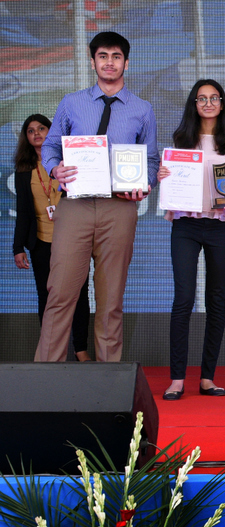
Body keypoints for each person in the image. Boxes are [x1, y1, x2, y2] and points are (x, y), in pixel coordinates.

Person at [35, 31, 158, 363]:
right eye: (103, 56)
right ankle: (44, 375)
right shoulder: (71, 102)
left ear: (126, 63)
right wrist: (54, 168)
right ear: (93, 62)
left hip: (119, 207)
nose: (109, 62)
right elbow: (51, 145)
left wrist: (144, 183)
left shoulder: (142, 109)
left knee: (111, 299)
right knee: (60, 292)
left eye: (116, 56)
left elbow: (150, 160)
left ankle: (109, 379)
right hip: (74, 205)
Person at [157, 80, 225, 400]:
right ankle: (177, 379)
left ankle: (208, 377)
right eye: (201, 99)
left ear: (222, 103)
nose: (208, 103)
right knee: (183, 299)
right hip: (186, 225)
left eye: (214, 98)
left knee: (216, 300)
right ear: (194, 104)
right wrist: (163, 176)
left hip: (220, 226)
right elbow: (173, 178)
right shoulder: (181, 139)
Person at [13, 115, 91, 362]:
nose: (36, 133)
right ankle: (51, 352)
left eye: (41, 128)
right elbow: (23, 211)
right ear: (26, 138)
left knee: (79, 295)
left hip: (73, 238)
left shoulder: (68, 162)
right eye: (30, 131)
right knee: (46, 297)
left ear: (51, 132)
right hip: (41, 242)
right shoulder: (23, 170)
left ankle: (80, 349)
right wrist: (17, 247)